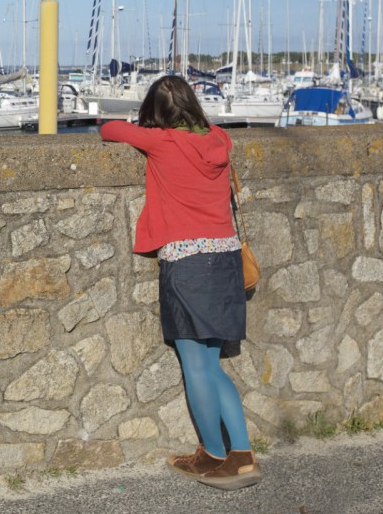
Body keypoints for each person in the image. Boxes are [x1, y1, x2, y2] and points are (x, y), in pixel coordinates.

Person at [100, 75, 261, 490]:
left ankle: (213, 456)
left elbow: (109, 129)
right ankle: (241, 455)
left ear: (157, 115)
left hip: (187, 263)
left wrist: (147, 128)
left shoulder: (163, 143)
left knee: (196, 367)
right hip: (224, 260)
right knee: (212, 365)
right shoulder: (220, 139)